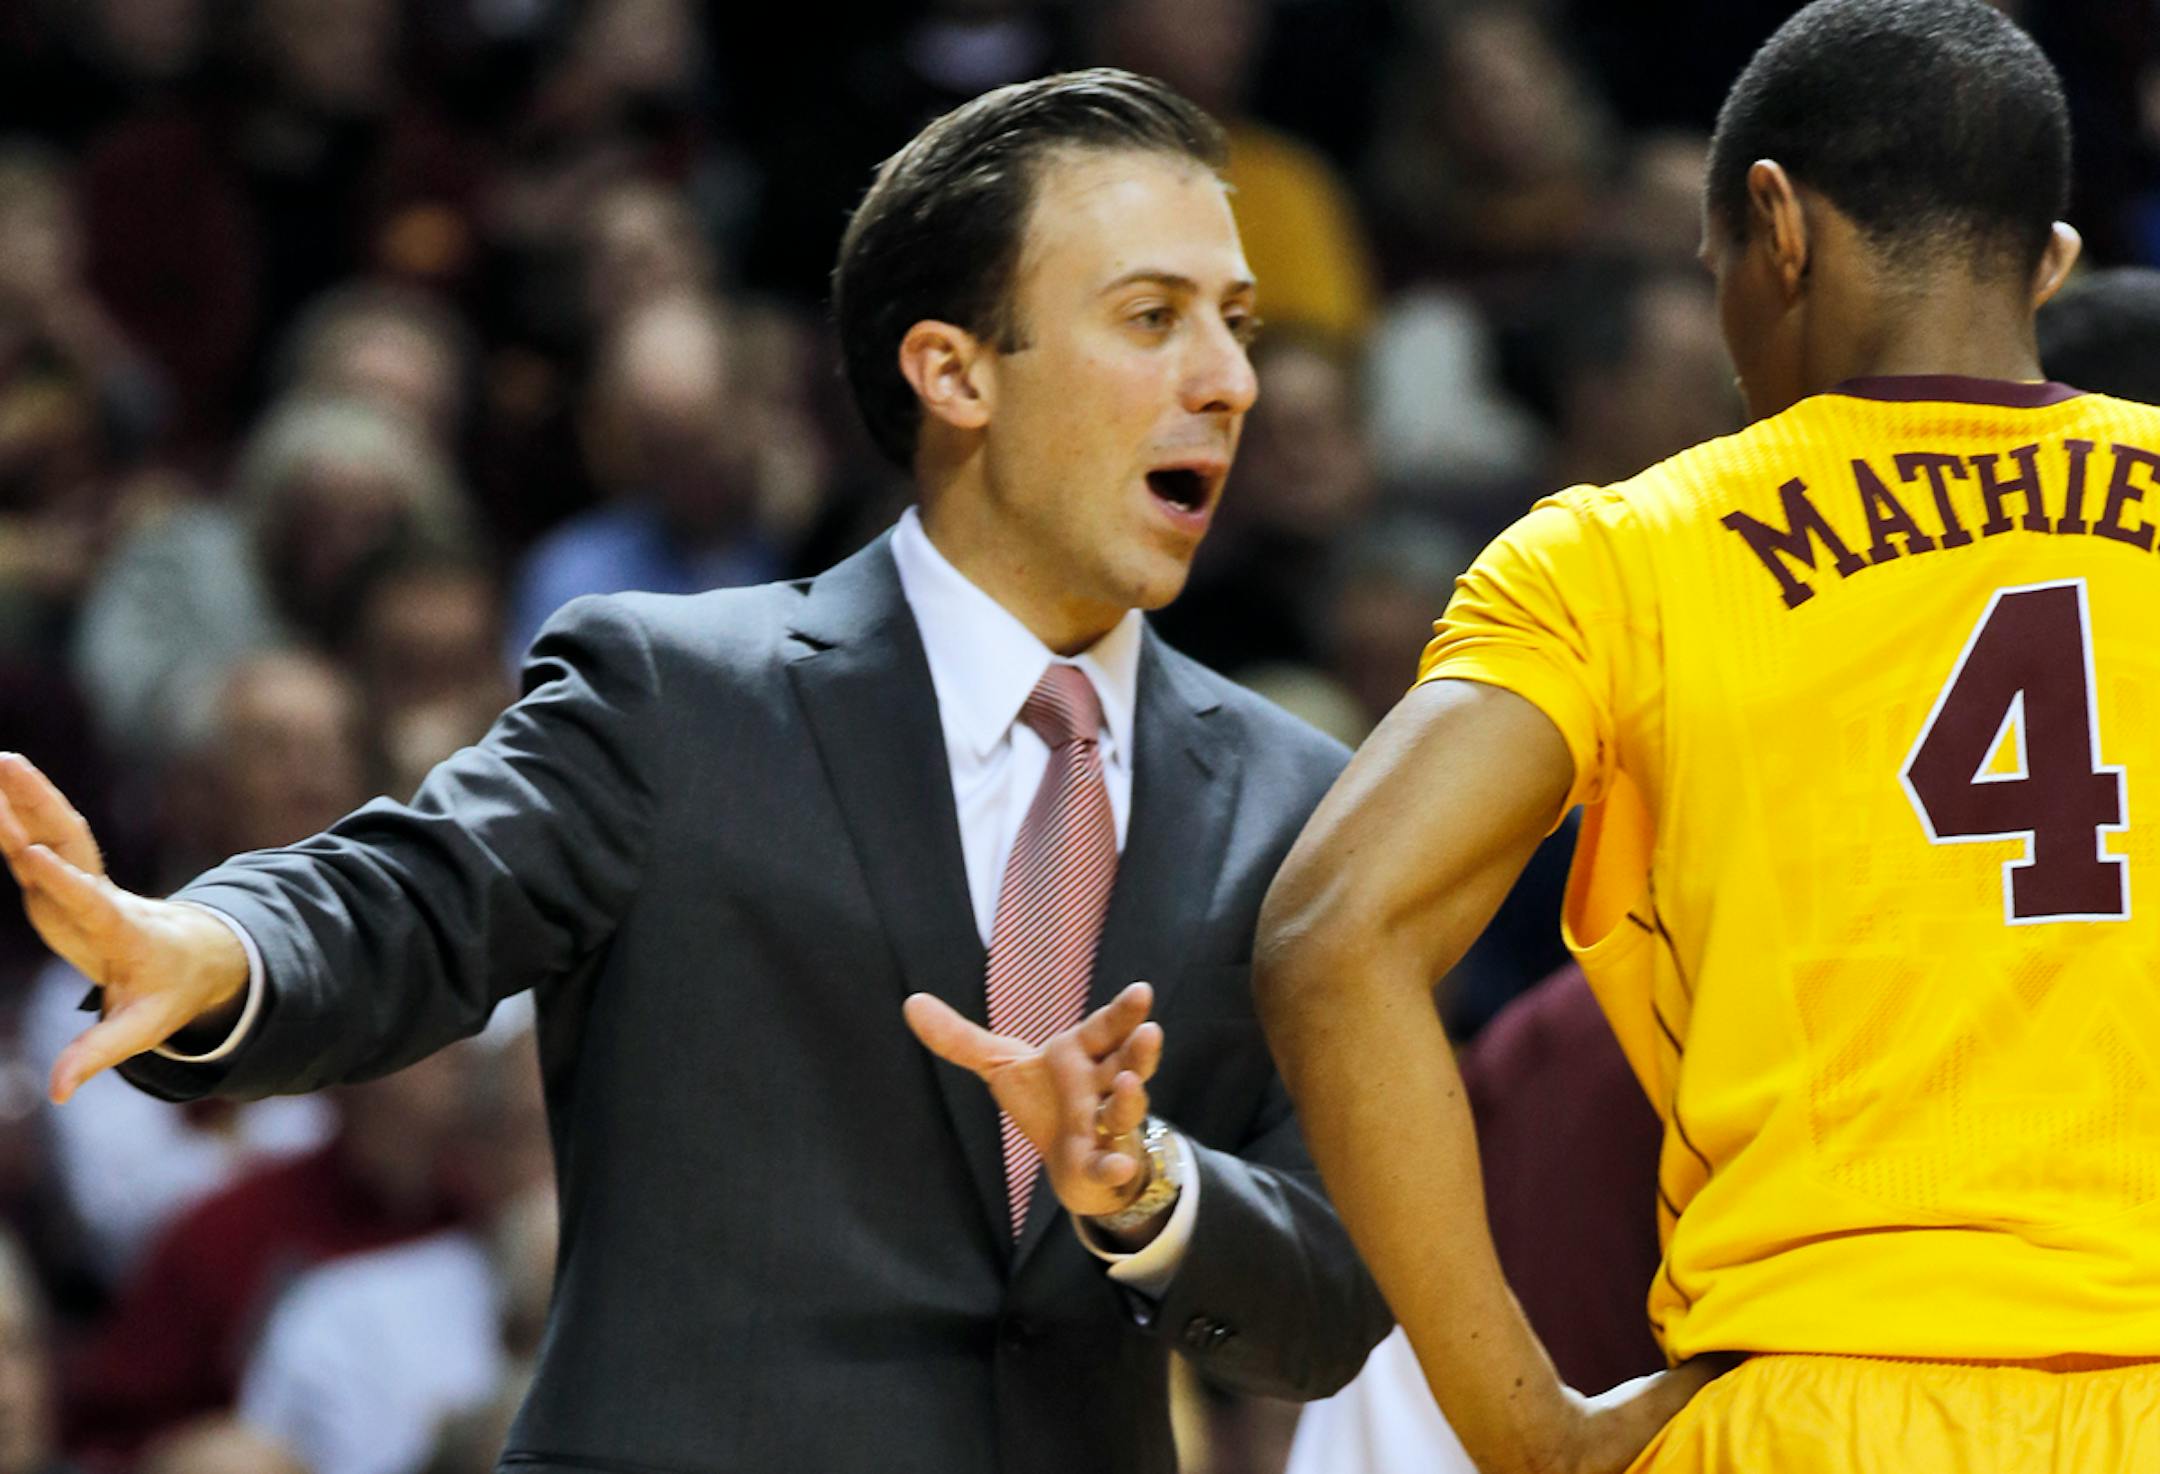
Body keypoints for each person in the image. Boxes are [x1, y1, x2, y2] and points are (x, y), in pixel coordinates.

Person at [2, 69, 1390, 1474]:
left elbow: (1334, 1297)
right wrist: (213, 941)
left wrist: (1147, 1188)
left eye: (1237, 323)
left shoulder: (1301, 798)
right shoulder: (677, 696)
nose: (1231, 380)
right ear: (955, 370)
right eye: (1154, 317)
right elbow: (412, 901)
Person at [1256, 2, 2160, 1470]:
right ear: (2050, 265)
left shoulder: (1626, 551)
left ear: (1777, 226)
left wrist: (1526, 1425)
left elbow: (1328, 931)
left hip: (1821, 1402)